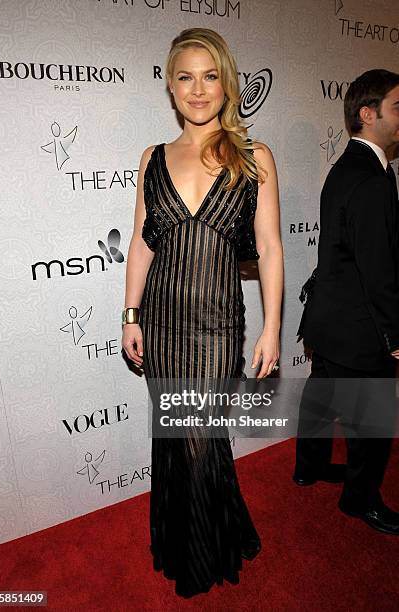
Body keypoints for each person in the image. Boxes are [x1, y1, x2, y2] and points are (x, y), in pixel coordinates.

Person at [121, 28, 283, 597]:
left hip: (218, 323)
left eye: (210, 75)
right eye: (185, 76)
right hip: (161, 320)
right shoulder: (153, 157)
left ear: (227, 83)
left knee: (200, 435)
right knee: (178, 435)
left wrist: (271, 328)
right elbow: (143, 245)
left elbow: (269, 247)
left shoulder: (253, 157)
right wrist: (130, 314)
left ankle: (201, 552)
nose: (198, 88)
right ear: (171, 85)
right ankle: (194, 538)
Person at [295, 69, 399, 535]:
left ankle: (308, 467)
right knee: (373, 425)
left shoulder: (345, 167)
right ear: (367, 113)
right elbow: (379, 271)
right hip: (358, 328)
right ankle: (360, 502)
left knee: (320, 398)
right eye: (398, 108)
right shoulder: (373, 178)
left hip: (326, 318)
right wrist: (395, 335)